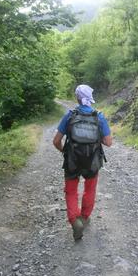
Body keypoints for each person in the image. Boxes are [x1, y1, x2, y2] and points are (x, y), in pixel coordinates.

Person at [53, 84, 112, 240]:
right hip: (92, 161)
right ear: (90, 98)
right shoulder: (98, 116)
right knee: (90, 189)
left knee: (71, 191)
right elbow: (108, 142)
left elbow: (56, 141)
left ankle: (74, 220)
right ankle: (84, 217)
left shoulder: (69, 116)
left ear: (77, 98)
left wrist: (64, 152)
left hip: (72, 161)